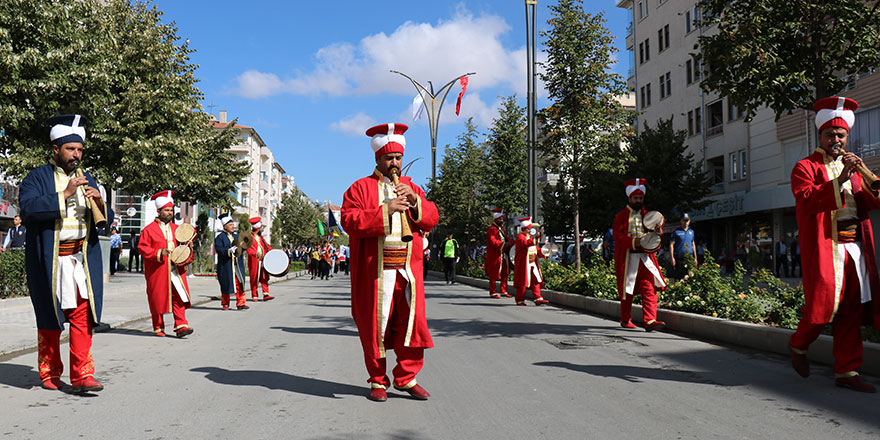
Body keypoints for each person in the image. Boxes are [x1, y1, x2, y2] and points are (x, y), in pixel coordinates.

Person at [341, 122, 439, 402]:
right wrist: (385, 212)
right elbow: (349, 220)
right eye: (388, 158)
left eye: (397, 158)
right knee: (375, 327)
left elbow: (432, 217)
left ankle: (407, 378)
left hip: (408, 271)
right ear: (378, 159)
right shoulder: (359, 188)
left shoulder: (411, 187)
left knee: (412, 324)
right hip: (376, 272)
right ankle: (377, 380)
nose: (394, 163)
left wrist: (417, 203)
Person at [788, 96, 880, 392]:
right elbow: (807, 200)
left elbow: (871, 202)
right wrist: (840, 178)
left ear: (846, 136)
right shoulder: (805, 167)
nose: (836, 140)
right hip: (826, 247)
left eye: (840, 135)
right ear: (821, 136)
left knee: (852, 308)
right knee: (823, 305)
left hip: (855, 248)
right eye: (830, 135)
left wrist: (866, 176)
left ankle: (847, 371)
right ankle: (798, 345)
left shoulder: (853, 169)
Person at [19, 114, 105, 393]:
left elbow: (104, 220)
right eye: (70, 149)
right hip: (49, 260)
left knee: (82, 316)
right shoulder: (36, 178)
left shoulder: (88, 177)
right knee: (50, 316)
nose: (76, 155)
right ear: (55, 149)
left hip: (80, 259)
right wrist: (65, 194)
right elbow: (29, 209)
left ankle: (83, 375)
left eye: (79, 150)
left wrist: (101, 201)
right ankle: (50, 372)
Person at [137, 191, 194, 337]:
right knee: (157, 298)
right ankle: (158, 326)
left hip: (176, 270)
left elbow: (183, 248)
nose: (169, 213)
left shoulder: (177, 229)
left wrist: (188, 248)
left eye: (171, 210)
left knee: (179, 296)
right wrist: (158, 253)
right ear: (159, 210)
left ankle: (181, 324)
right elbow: (142, 248)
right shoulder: (148, 230)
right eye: (166, 210)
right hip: (158, 269)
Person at [613, 178, 667, 331]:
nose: (638, 200)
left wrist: (657, 233)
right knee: (627, 290)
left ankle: (650, 321)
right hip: (628, 257)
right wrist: (634, 242)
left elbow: (653, 237)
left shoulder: (649, 216)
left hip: (645, 257)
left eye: (640, 198)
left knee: (649, 288)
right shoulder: (621, 217)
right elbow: (618, 236)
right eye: (635, 198)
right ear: (629, 198)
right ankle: (625, 319)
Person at [214, 213, 248, 310]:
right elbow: (219, 250)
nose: (233, 226)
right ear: (225, 227)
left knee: (240, 283)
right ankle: (225, 304)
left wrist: (244, 245)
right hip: (226, 265)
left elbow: (243, 248)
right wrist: (229, 250)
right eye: (230, 225)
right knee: (225, 284)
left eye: (233, 224)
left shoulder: (237, 237)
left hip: (237, 265)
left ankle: (241, 303)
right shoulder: (220, 237)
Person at [512, 217, 549, 306]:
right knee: (522, 282)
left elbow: (534, 249)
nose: (530, 231)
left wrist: (544, 253)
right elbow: (526, 244)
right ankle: (520, 300)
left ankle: (538, 298)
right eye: (529, 229)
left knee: (536, 279)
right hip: (524, 264)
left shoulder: (529, 237)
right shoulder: (520, 237)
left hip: (532, 263)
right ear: (524, 229)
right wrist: (535, 239)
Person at [246, 216, 275, 302]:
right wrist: (255, 254)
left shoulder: (261, 237)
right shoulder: (249, 238)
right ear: (258, 229)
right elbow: (248, 249)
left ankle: (266, 293)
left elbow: (267, 246)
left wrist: (274, 252)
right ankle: (254, 295)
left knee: (264, 276)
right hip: (255, 260)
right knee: (254, 277)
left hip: (263, 259)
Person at [485, 208, 512, 299]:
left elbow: (507, 239)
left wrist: (513, 243)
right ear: (496, 219)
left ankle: (504, 290)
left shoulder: (501, 229)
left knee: (505, 272)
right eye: (500, 219)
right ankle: (493, 292)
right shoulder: (492, 229)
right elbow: (493, 242)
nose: (502, 220)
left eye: (502, 219)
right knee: (493, 274)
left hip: (503, 254)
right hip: (495, 255)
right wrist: (504, 244)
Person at [670, 213, 696, 279]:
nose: (686, 222)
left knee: (690, 277)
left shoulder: (691, 232)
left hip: (689, 258)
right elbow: (671, 245)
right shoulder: (676, 232)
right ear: (681, 221)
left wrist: (695, 258)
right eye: (684, 220)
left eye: (687, 220)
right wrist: (672, 257)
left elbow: (693, 244)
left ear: (689, 221)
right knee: (680, 277)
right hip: (680, 258)